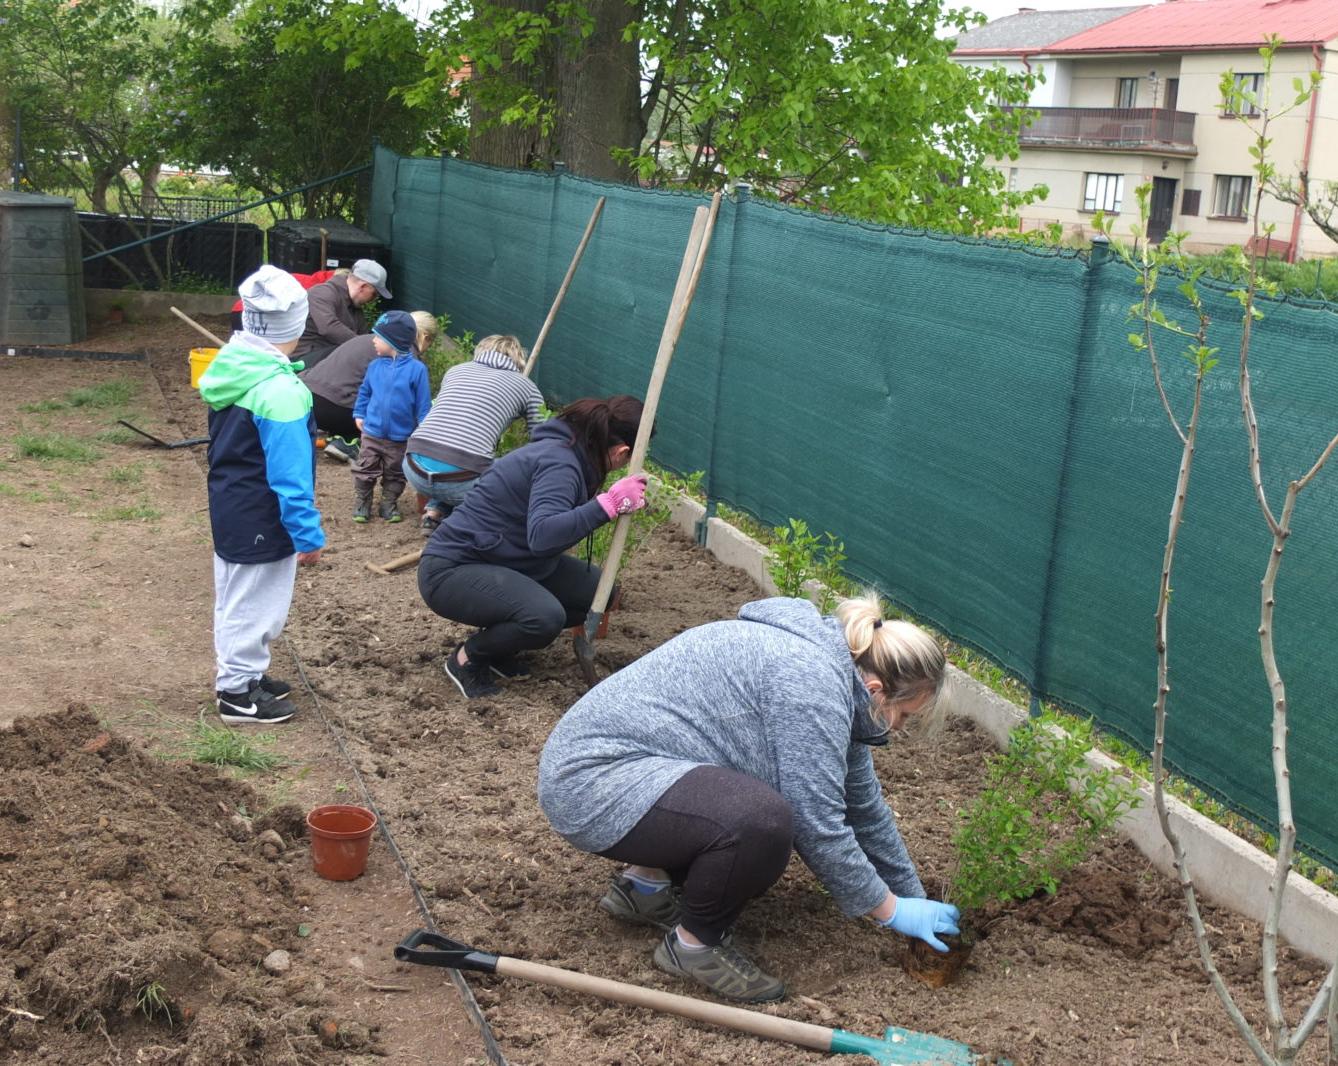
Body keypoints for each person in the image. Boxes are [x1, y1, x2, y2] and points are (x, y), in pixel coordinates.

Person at [536, 593, 958, 1003]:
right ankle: (694, 945)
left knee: (733, 785)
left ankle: (646, 888)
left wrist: (914, 899)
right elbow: (819, 826)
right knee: (764, 821)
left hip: (619, 768)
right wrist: (889, 910)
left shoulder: (830, 671)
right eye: (904, 715)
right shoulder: (810, 685)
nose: (898, 728)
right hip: (593, 783)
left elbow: (863, 810)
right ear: (876, 688)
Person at [418, 395, 648, 699]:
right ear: (622, 452)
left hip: (504, 559)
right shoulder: (560, 465)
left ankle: (502, 647)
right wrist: (607, 505)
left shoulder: (573, 452)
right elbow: (543, 536)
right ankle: (468, 658)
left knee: (597, 593)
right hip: (453, 569)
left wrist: (605, 501)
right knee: (544, 617)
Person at [198, 265, 325, 725]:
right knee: (256, 604)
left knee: (235, 595)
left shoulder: (234, 366)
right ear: (297, 324)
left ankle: (245, 675)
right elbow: (291, 479)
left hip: (232, 501)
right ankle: (236, 695)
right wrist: (307, 534)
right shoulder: (281, 392)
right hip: (262, 514)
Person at [404, 333, 546, 536]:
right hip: (460, 482)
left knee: (451, 451)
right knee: (499, 467)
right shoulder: (526, 387)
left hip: (413, 466)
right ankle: (482, 526)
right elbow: (543, 437)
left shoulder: (455, 371)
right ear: (517, 359)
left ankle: (434, 512)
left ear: (481, 350)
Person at [301, 310, 438, 463]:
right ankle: (353, 442)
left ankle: (344, 439)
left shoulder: (371, 338)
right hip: (337, 408)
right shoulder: (405, 354)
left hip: (307, 399)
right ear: (425, 337)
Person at [350, 310, 431, 523]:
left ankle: (388, 503)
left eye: (378, 336)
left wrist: (424, 428)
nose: (374, 340)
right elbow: (365, 392)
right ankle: (362, 501)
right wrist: (359, 413)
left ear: (392, 341)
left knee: (395, 472)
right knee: (365, 467)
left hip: (400, 437)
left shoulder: (417, 370)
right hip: (373, 432)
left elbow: (423, 404)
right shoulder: (375, 366)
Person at [292, 258, 390, 369]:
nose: (374, 299)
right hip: (303, 359)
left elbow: (364, 337)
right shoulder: (322, 293)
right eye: (374, 294)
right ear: (363, 286)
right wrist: (363, 346)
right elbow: (329, 327)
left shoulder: (356, 309)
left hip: (326, 358)